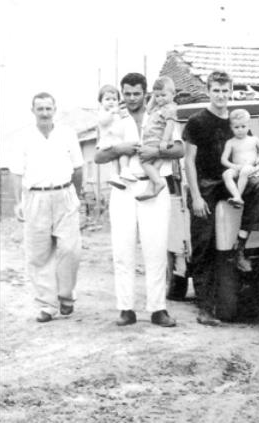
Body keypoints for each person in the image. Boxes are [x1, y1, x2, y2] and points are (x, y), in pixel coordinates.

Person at [95, 72, 183, 327]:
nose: (132, 98)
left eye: (136, 93)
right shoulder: (115, 117)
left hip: (154, 187)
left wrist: (155, 150)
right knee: (122, 250)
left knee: (155, 249)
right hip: (123, 188)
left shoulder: (161, 112)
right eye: (127, 93)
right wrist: (119, 149)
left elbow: (179, 149)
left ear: (145, 93)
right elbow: (99, 156)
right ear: (122, 94)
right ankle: (126, 308)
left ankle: (158, 309)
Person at [184, 70, 259, 321]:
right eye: (216, 90)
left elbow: (251, 148)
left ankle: (239, 248)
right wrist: (196, 197)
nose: (221, 95)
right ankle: (205, 307)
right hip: (206, 185)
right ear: (208, 91)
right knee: (204, 243)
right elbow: (188, 161)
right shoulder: (197, 121)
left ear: (230, 91)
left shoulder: (236, 119)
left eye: (225, 90)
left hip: (230, 181)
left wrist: (257, 164)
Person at [11, 92, 83, 323]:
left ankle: (66, 296)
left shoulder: (67, 134)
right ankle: (46, 305)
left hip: (64, 194)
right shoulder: (23, 137)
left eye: (48, 108)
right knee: (38, 254)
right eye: (40, 109)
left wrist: (76, 196)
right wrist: (19, 201)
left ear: (55, 110)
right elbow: (16, 172)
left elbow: (79, 168)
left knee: (70, 250)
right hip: (35, 197)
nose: (44, 113)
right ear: (33, 111)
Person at [135, 76, 178, 201]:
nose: (160, 99)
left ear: (173, 94)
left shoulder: (169, 108)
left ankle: (158, 183)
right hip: (154, 141)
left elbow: (170, 125)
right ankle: (151, 188)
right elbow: (147, 109)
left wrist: (164, 141)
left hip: (156, 140)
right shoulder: (158, 107)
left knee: (144, 162)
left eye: (163, 95)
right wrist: (154, 96)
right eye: (157, 96)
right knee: (156, 165)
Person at [221, 109, 259, 207]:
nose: (240, 129)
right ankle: (236, 196)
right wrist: (233, 166)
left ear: (248, 126)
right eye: (236, 127)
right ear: (231, 128)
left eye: (243, 126)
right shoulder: (230, 142)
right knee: (226, 174)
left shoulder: (254, 140)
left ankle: (238, 197)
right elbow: (223, 160)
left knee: (245, 171)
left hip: (251, 167)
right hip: (237, 168)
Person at [96, 85, 134, 189]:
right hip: (108, 140)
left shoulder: (117, 114)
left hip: (116, 139)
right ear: (101, 102)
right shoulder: (102, 113)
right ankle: (118, 173)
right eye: (107, 99)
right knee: (119, 155)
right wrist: (112, 112)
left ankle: (121, 172)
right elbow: (103, 121)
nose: (111, 102)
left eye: (114, 99)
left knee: (121, 155)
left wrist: (122, 114)